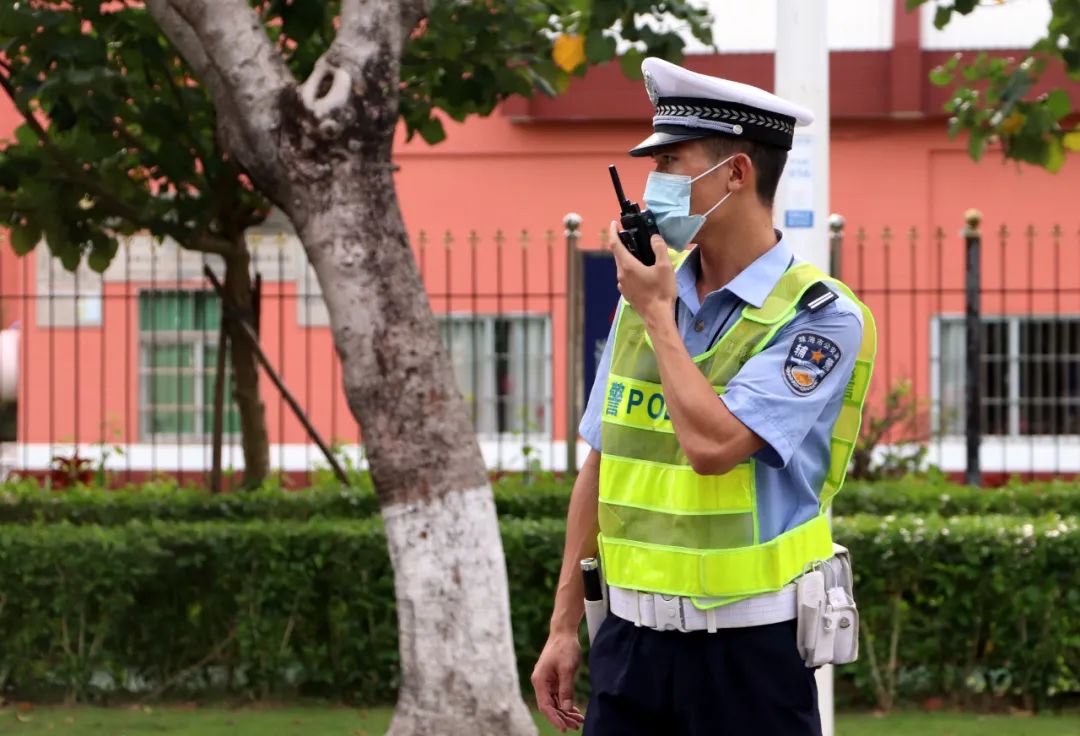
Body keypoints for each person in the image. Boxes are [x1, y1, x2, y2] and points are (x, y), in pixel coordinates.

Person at [530, 57, 877, 735]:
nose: (652, 187)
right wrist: (564, 623)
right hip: (628, 648)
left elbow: (713, 447)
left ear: (737, 174)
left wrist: (660, 315)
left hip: (749, 657)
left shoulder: (818, 317)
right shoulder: (647, 297)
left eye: (672, 164)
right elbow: (603, 464)